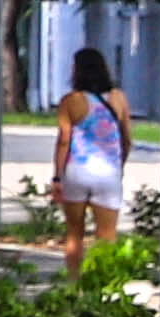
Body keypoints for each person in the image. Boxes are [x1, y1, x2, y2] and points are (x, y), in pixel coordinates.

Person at [50, 43, 134, 264]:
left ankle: (73, 284)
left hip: (76, 172)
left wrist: (57, 176)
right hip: (108, 173)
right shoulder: (118, 98)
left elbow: (64, 141)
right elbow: (127, 139)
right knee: (107, 235)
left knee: (74, 234)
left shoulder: (70, 101)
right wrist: (120, 165)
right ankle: (104, 285)